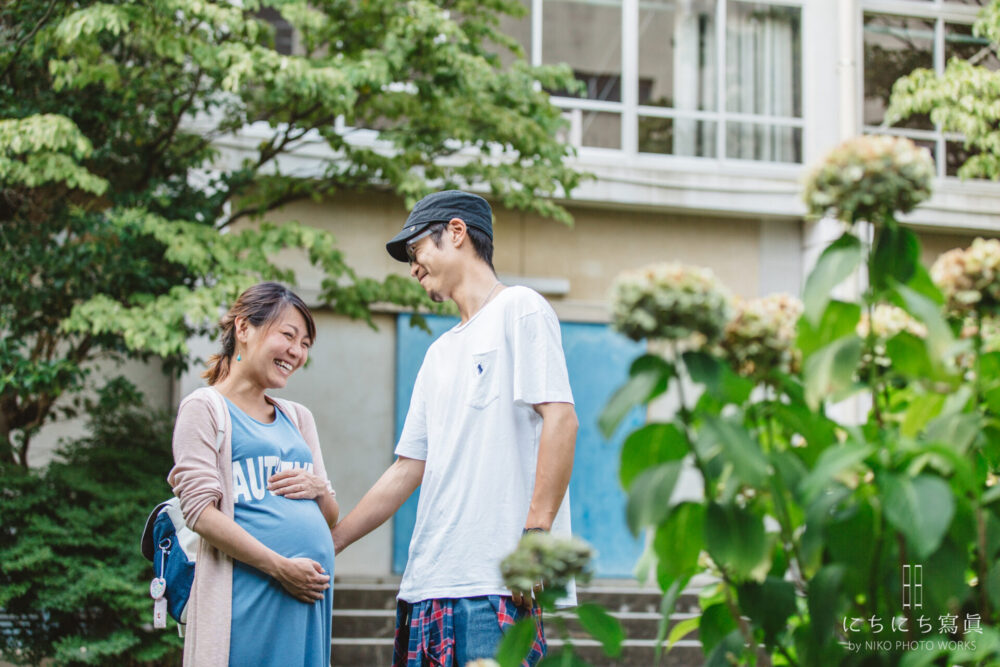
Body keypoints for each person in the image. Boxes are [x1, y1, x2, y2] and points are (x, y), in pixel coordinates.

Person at [331, 191, 579, 666]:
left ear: (457, 232)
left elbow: (562, 419)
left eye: (416, 249)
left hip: (495, 587)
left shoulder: (520, 308)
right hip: (425, 588)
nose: (412, 267)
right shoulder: (438, 354)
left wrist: (536, 538)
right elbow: (407, 469)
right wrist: (333, 542)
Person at [168, 282, 338, 667]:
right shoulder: (204, 408)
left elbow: (330, 516)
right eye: (288, 336)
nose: (297, 352)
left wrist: (318, 488)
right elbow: (199, 513)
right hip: (247, 597)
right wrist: (280, 567)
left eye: (305, 344)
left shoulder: (298, 418)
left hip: (306, 597)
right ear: (243, 328)